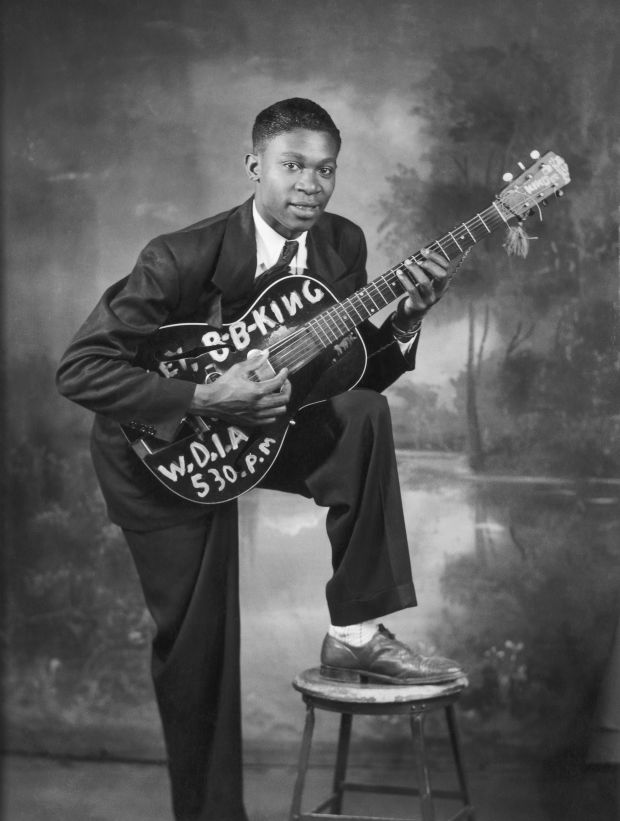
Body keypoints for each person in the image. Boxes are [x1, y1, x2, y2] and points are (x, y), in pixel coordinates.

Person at [57, 98, 464, 821]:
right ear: (255, 167)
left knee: (366, 415)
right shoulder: (180, 256)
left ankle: (356, 630)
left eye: (326, 169)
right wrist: (206, 394)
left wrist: (404, 320)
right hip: (161, 449)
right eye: (293, 166)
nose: (311, 184)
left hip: (265, 431)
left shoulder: (343, 246)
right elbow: (82, 370)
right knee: (199, 648)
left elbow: (344, 377)